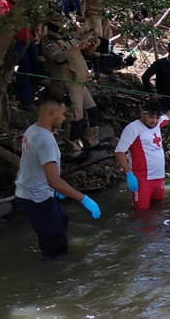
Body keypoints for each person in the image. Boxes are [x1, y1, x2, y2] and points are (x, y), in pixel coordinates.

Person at [15, 97, 101, 258]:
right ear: (52, 113)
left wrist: (52, 187)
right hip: (36, 198)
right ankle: (52, 267)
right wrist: (84, 199)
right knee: (57, 250)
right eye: (62, 114)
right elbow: (53, 180)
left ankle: (48, 247)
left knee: (62, 218)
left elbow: (33, 164)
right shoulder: (45, 140)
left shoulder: (32, 130)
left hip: (31, 192)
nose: (64, 118)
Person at [115, 96, 170, 210]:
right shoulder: (133, 128)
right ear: (143, 114)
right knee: (142, 213)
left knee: (159, 209)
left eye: (157, 118)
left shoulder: (157, 122)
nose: (155, 121)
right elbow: (119, 151)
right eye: (151, 117)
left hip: (159, 177)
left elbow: (168, 116)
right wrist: (129, 173)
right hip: (142, 180)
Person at [42, 13, 101, 161]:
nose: (62, 24)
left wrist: (91, 46)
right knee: (74, 118)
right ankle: (72, 151)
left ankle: (91, 142)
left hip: (80, 81)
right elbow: (58, 58)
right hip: (67, 84)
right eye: (58, 21)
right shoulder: (49, 42)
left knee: (91, 110)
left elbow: (83, 52)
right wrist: (77, 47)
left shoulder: (67, 37)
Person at [75, 0, 130, 78]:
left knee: (105, 37)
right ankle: (95, 67)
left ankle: (104, 66)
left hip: (104, 11)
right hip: (92, 11)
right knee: (96, 36)